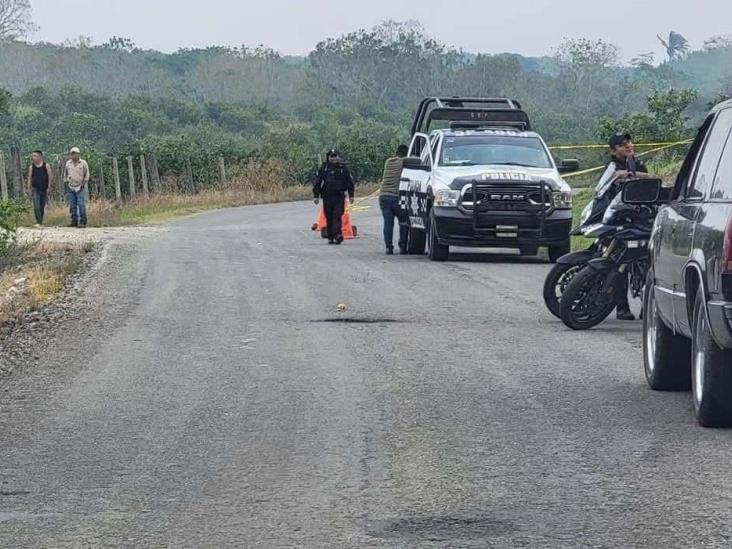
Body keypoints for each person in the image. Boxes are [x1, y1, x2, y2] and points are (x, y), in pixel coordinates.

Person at [603, 132, 656, 321]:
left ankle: (646, 307)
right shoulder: (610, 167)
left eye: (629, 142)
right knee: (617, 264)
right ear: (613, 150)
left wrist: (631, 174)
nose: (629, 146)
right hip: (615, 218)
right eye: (623, 144)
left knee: (647, 262)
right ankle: (621, 307)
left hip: (638, 217)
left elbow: (651, 178)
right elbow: (603, 189)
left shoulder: (637, 164)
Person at [313, 149, 354, 245]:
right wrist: (316, 195)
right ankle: (331, 236)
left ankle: (338, 235)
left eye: (335, 156)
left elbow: (349, 182)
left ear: (339, 157)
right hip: (327, 196)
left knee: (337, 215)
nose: (334, 158)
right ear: (328, 157)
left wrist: (351, 195)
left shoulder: (343, 168)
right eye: (331, 156)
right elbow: (317, 182)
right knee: (329, 216)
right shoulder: (324, 168)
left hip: (339, 196)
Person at [379, 144, 409, 255]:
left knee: (388, 223)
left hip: (383, 196)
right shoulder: (404, 161)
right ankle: (403, 247)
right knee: (404, 222)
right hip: (397, 196)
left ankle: (388, 247)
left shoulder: (388, 161)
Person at [63, 146, 89, 228]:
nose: (73, 155)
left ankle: (83, 221)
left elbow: (87, 174)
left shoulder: (83, 163)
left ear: (79, 154)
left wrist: (83, 183)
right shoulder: (68, 163)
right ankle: (74, 221)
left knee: (81, 204)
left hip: (80, 186)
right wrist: (66, 182)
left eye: (75, 154)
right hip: (70, 186)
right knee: (72, 205)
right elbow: (65, 173)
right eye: (72, 154)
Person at [26, 150, 54, 227]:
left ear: (40, 157)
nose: (33, 157)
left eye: (34, 156)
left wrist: (49, 187)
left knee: (42, 205)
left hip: (44, 188)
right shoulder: (32, 167)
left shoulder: (46, 165)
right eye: (32, 156)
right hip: (35, 188)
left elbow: (50, 176)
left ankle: (41, 220)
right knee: (36, 205)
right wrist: (29, 188)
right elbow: (29, 178)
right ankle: (38, 221)